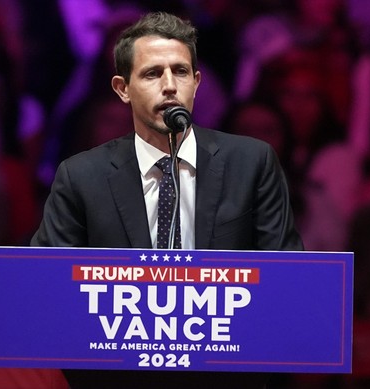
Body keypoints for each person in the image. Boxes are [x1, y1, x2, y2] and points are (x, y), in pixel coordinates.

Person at [31, 11, 303, 389]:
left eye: (180, 72)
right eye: (151, 74)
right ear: (122, 88)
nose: (169, 86)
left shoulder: (252, 163)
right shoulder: (81, 176)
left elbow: (288, 285)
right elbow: (45, 292)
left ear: (197, 82)